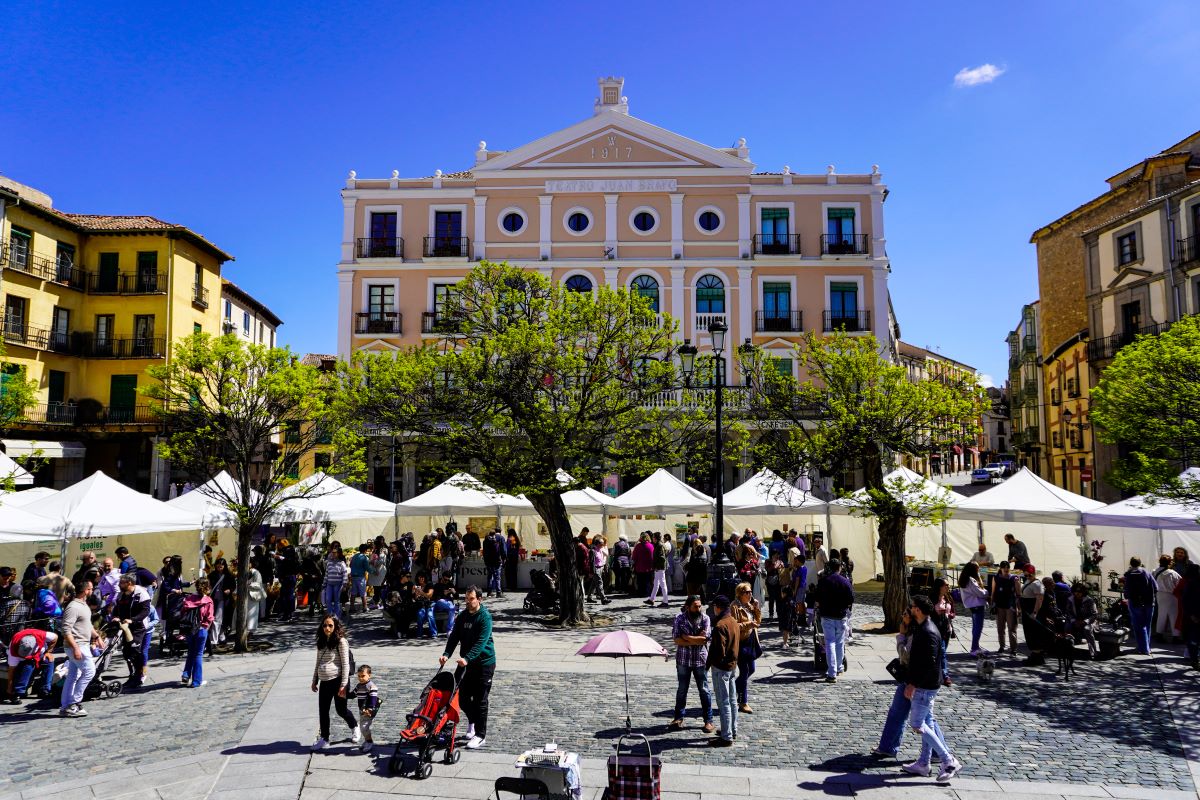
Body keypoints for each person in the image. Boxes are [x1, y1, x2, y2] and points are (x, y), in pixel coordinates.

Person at [902, 595, 962, 781]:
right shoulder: (923, 627)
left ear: (918, 610)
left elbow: (928, 662)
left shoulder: (928, 631)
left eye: (912, 607)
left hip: (925, 686)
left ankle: (948, 760)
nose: (910, 609)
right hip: (927, 684)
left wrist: (913, 684)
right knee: (927, 722)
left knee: (917, 724)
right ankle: (923, 764)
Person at [873, 608, 945, 759]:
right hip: (911, 679)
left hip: (914, 681)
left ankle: (940, 754)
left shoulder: (916, 633)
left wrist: (901, 636)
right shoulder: (917, 631)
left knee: (923, 718)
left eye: (905, 614)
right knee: (899, 713)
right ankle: (888, 746)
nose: (902, 616)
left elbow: (905, 656)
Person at [440, 587, 495, 750]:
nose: (468, 601)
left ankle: (480, 735)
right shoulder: (463, 616)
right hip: (465, 663)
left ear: (479, 599)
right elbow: (454, 636)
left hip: (484, 663)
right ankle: (472, 722)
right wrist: (446, 654)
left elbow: (481, 642)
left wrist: (467, 658)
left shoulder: (485, 618)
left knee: (480, 700)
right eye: (466, 598)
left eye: (471, 599)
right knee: (461, 698)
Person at [311, 615, 359, 751]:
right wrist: (314, 680)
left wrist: (344, 685)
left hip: (338, 681)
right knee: (323, 711)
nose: (327, 628)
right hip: (324, 682)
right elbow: (317, 662)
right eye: (325, 625)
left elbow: (345, 665)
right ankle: (324, 739)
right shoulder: (321, 641)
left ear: (336, 626)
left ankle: (355, 726)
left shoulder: (341, 641)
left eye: (330, 625)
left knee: (341, 710)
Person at [669, 594, 714, 733]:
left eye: (700, 606)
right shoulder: (679, 618)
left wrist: (687, 637)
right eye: (696, 606)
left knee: (704, 690)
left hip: (700, 659)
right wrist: (695, 639)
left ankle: (708, 721)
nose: (699, 608)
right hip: (683, 659)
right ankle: (678, 718)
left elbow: (704, 640)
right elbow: (677, 640)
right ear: (688, 607)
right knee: (682, 689)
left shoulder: (705, 618)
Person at [705, 594, 740, 747]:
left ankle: (726, 737)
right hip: (732, 666)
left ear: (718, 607)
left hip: (721, 668)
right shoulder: (733, 622)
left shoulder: (720, 626)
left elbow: (718, 651)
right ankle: (732, 729)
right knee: (732, 701)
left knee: (723, 702)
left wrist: (709, 665)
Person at [60, 583, 98, 716]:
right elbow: (65, 629)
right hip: (77, 646)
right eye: (91, 588)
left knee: (72, 676)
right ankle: (73, 703)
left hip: (82, 645)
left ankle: (65, 706)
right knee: (89, 672)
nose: (92, 590)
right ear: (86, 591)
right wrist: (75, 647)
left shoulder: (84, 605)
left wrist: (96, 636)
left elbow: (87, 624)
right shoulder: (73, 607)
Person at [815, 558, 853, 683]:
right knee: (839, 643)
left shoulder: (824, 581)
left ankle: (832, 672)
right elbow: (850, 599)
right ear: (839, 568)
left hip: (827, 616)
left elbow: (817, 598)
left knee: (830, 642)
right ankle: (839, 667)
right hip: (840, 615)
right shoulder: (845, 581)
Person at [112, 573, 152, 690]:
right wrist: (115, 616)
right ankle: (132, 675)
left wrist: (132, 620)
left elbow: (145, 611)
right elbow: (116, 608)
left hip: (138, 627)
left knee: (135, 651)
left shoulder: (141, 593)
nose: (119, 585)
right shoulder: (121, 595)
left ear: (129, 583)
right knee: (127, 652)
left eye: (121, 583)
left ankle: (139, 676)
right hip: (124, 627)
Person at [4, 628, 58, 705]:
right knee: (29, 665)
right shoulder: (12, 653)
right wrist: (9, 688)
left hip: (39, 654)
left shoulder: (43, 636)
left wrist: (48, 652)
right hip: (25, 661)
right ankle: (18, 693)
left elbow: (55, 637)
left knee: (49, 660)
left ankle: (45, 690)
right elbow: (11, 671)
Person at [731, 582, 762, 714]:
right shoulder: (734, 607)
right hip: (741, 642)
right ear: (740, 594)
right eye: (747, 592)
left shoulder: (749, 606)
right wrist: (749, 624)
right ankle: (743, 702)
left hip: (751, 641)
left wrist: (756, 609)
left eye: (750, 592)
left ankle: (733, 688)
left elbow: (758, 622)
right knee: (744, 671)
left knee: (752, 669)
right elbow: (734, 626)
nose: (750, 595)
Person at [180, 578, 215, 688]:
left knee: (191, 652)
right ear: (207, 587)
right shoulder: (208, 600)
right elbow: (209, 618)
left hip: (189, 629)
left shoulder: (188, 599)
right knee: (198, 654)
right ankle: (196, 681)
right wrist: (206, 628)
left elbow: (182, 613)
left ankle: (186, 674)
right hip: (201, 629)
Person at [1123, 557, 1158, 655]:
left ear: (1130, 563)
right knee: (1147, 625)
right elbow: (1156, 588)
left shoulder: (1128, 574)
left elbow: (1126, 591)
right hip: (1148, 602)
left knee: (1138, 625)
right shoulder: (1147, 573)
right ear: (1140, 563)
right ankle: (1146, 647)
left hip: (1134, 602)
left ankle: (1142, 647)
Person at [958, 562, 989, 656]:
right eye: (977, 569)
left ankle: (976, 647)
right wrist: (986, 592)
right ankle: (974, 648)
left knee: (976, 627)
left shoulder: (964, 579)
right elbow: (980, 593)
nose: (978, 570)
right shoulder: (971, 580)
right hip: (977, 605)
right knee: (977, 628)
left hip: (972, 605)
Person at [1018, 565, 1046, 665]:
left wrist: (1035, 613)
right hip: (1027, 611)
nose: (1028, 576)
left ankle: (1037, 656)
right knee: (1029, 633)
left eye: (1030, 574)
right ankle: (1035, 654)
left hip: (1033, 612)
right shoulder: (1028, 581)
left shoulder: (1037, 584)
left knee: (1034, 633)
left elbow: (1039, 600)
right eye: (1026, 574)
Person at [991, 561, 1020, 656]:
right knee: (1000, 628)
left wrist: (1019, 608)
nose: (1006, 569)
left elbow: (1018, 594)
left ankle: (1013, 649)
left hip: (1010, 606)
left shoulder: (1014, 578)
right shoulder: (996, 578)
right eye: (1004, 568)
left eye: (1008, 567)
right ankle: (1002, 646)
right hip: (999, 606)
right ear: (1001, 568)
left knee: (1012, 628)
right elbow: (993, 592)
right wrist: (992, 604)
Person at [352, 663, 381, 753]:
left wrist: (370, 709)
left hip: (368, 711)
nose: (361, 678)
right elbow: (353, 694)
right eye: (359, 676)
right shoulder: (359, 685)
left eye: (363, 676)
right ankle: (366, 741)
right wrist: (344, 694)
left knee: (364, 727)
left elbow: (373, 698)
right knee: (362, 726)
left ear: (369, 675)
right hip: (362, 710)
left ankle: (369, 742)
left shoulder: (371, 686)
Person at [931, 579, 955, 685]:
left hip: (947, 630)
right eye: (946, 585)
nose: (948, 587)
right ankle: (945, 676)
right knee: (943, 653)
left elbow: (953, 612)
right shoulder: (932, 600)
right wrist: (938, 614)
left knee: (941, 653)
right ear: (939, 587)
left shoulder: (948, 598)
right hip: (936, 630)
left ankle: (937, 673)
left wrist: (949, 615)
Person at [1066, 582, 1098, 660]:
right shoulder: (1070, 600)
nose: (1077, 593)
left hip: (1088, 621)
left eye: (1079, 592)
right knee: (1067, 627)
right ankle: (1068, 650)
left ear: (1083, 592)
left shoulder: (1089, 600)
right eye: (1075, 591)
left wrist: (1085, 621)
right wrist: (1074, 621)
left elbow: (1094, 614)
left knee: (1087, 629)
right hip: (1075, 620)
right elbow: (1068, 612)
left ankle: (1093, 652)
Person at [1154, 555, 1182, 643]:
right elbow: (1180, 584)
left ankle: (1159, 634)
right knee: (1174, 615)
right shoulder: (1173, 573)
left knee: (1161, 615)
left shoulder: (1154, 571)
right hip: (1171, 596)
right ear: (1170, 562)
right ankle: (1176, 636)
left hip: (1159, 595)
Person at [1178, 563, 1200, 669]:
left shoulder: (1190, 582)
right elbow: (1185, 600)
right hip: (1194, 615)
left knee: (1193, 638)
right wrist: (1191, 614)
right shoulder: (1191, 583)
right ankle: (1194, 659)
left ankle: (1194, 658)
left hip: (1193, 615)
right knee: (1193, 638)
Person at [208, 558, 232, 644]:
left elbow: (233, 586)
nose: (219, 568)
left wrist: (229, 590)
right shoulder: (212, 575)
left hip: (224, 600)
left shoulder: (229, 575)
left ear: (224, 566)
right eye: (218, 567)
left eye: (221, 567)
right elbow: (209, 586)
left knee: (218, 619)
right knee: (215, 619)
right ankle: (219, 638)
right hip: (213, 599)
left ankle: (216, 639)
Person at [276, 538, 301, 621]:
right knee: (289, 595)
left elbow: (286, 561)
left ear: (281, 544)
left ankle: (287, 614)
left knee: (287, 595)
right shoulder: (292, 550)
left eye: (278, 545)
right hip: (291, 576)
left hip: (287, 576)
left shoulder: (287, 551)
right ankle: (288, 614)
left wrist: (278, 557)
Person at [323, 543, 349, 621]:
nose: (333, 554)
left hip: (338, 585)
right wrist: (324, 584)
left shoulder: (341, 563)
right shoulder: (329, 563)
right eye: (332, 552)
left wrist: (344, 584)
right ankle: (330, 614)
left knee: (337, 600)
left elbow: (345, 574)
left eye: (335, 553)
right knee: (328, 599)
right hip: (329, 584)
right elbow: (326, 574)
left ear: (338, 554)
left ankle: (337, 616)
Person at [645, 532, 670, 608]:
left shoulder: (659, 545)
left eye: (653, 538)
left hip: (660, 568)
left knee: (662, 584)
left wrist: (657, 566)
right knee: (656, 583)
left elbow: (661, 558)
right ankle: (652, 599)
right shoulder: (659, 545)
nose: (652, 539)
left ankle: (665, 601)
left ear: (655, 538)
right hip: (659, 567)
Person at [482, 528, 506, 599]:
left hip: (488, 561)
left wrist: (485, 560)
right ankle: (498, 592)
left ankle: (489, 592)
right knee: (497, 577)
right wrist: (504, 558)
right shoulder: (497, 540)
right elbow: (503, 550)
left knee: (490, 576)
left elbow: (484, 551)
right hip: (496, 561)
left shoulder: (485, 540)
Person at [348, 544, 371, 615]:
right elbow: (367, 568)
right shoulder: (364, 557)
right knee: (363, 593)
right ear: (365, 550)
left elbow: (350, 565)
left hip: (353, 576)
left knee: (353, 592)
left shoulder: (354, 556)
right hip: (360, 577)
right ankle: (365, 607)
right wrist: (373, 572)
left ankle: (352, 608)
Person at [632, 532, 654, 598]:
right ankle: (647, 593)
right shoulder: (651, 546)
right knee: (648, 581)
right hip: (649, 567)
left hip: (639, 566)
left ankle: (641, 593)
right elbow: (653, 557)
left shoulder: (638, 546)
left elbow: (634, 557)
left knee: (640, 581)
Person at [576, 530, 596, 602]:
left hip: (582, 568)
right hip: (584, 568)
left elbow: (583, 560)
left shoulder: (581, 547)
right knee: (581, 583)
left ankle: (581, 597)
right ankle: (582, 597)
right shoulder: (583, 545)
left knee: (580, 583)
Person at [590, 536, 610, 605]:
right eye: (602, 543)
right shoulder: (593, 551)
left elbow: (604, 556)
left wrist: (603, 567)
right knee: (599, 583)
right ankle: (603, 599)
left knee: (594, 584)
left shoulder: (600, 549)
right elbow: (591, 562)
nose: (603, 544)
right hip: (595, 569)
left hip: (600, 567)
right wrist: (592, 571)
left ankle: (589, 597)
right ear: (598, 543)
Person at [504, 530, 521, 594]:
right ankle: (514, 586)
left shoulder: (511, 538)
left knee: (508, 573)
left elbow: (508, 549)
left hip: (510, 558)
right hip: (515, 558)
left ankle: (509, 587)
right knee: (513, 572)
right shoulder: (516, 538)